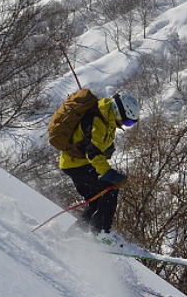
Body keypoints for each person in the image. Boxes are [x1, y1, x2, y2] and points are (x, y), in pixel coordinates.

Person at [59, 91, 140, 236]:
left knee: (96, 200)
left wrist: (106, 149)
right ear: (118, 112)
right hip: (76, 164)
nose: (125, 125)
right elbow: (93, 153)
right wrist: (109, 174)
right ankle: (101, 233)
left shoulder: (107, 119)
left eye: (130, 123)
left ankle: (75, 234)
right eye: (127, 121)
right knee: (109, 190)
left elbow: (92, 145)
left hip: (77, 162)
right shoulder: (99, 120)